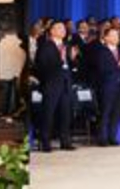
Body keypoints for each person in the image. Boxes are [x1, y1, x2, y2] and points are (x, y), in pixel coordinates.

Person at [33, 22, 76, 152]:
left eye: (63, 28)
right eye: (58, 28)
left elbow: (71, 65)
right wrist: (60, 61)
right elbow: (42, 65)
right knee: (48, 113)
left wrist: (73, 58)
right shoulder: (45, 46)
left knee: (65, 113)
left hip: (66, 83)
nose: (62, 30)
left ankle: (65, 141)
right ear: (51, 31)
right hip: (51, 83)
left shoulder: (67, 46)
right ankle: (45, 142)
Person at [87, 27, 120, 146]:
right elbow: (102, 69)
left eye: (117, 36)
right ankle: (102, 138)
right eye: (113, 35)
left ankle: (112, 137)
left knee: (116, 112)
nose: (116, 38)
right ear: (106, 37)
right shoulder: (101, 51)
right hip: (106, 85)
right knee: (105, 112)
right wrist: (118, 64)